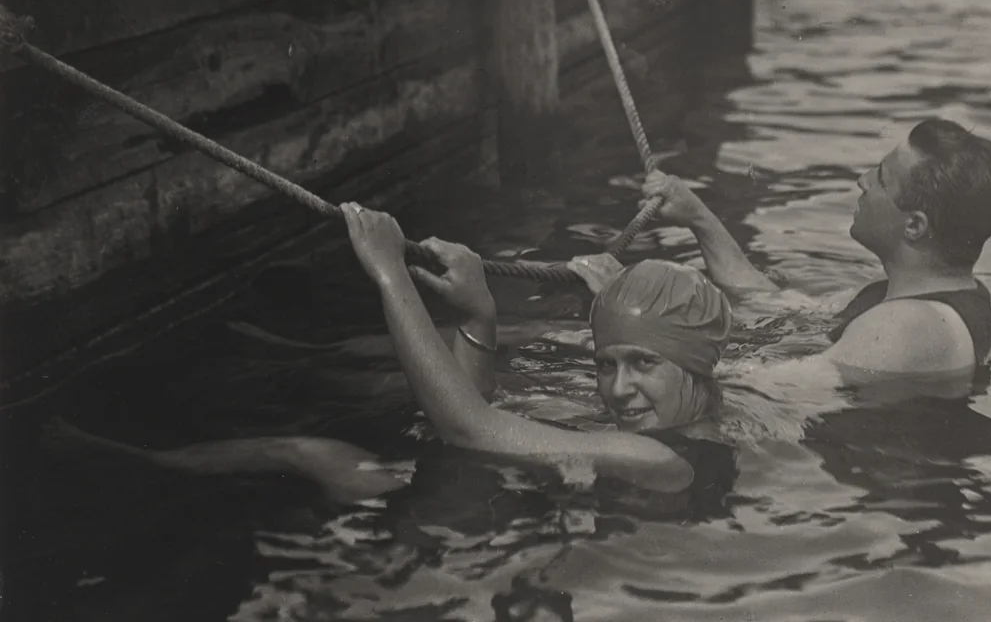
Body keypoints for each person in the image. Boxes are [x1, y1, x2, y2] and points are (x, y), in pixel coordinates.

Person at [41, 207, 735, 503]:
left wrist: (387, 274)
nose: (617, 388)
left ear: (698, 367)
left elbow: (467, 428)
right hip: (500, 500)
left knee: (310, 454)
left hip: (479, 528)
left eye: (643, 365)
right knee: (311, 448)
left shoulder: (657, 457)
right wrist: (477, 314)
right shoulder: (666, 432)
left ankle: (111, 464)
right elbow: (477, 421)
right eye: (607, 364)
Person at [638, 118, 991, 385]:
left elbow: (762, 388)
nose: (862, 180)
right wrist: (698, 217)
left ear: (914, 226)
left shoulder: (909, 327)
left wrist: (634, 324)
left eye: (881, 178)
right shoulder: (913, 298)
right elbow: (774, 302)